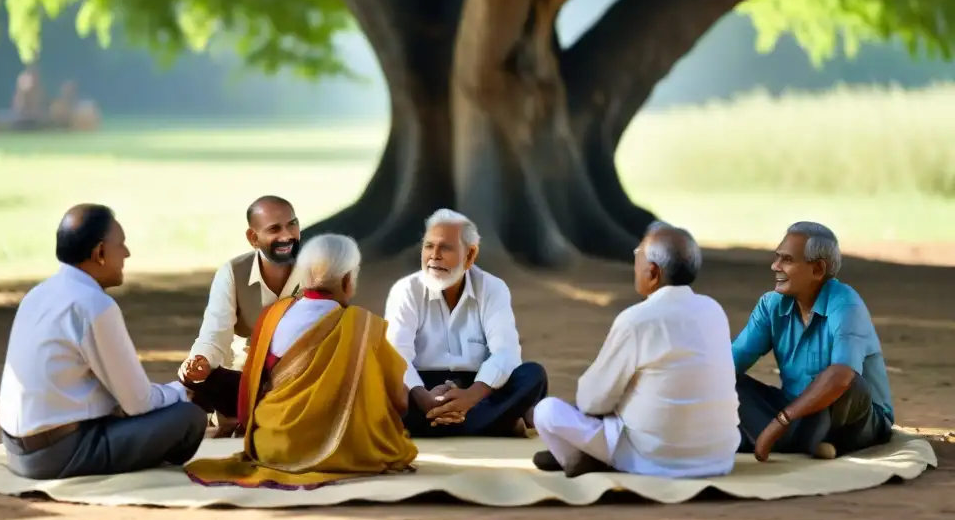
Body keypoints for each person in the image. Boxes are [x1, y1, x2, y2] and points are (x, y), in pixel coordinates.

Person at [185, 234, 418, 488]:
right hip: (338, 449)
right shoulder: (365, 328)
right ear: (348, 279)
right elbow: (397, 398)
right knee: (392, 440)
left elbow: (250, 393)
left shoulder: (273, 315)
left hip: (272, 446)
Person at [0, 204, 207, 480]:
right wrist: (181, 391)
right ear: (100, 254)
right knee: (188, 418)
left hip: (15, 449)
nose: (127, 253)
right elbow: (138, 403)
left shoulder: (38, 293)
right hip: (55, 457)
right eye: (121, 245)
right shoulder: (94, 304)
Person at [532, 222, 740, 478]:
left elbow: (591, 400)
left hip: (652, 460)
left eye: (637, 256)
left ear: (652, 272)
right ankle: (587, 455)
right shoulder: (714, 311)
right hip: (718, 458)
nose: (635, 264)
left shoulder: (636, 320)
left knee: (547, 412)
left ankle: (586, 457)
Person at [732, 222, 894, 461]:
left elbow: (841, 376)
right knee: (724, 379)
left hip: (852, 418)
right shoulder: (771, 305)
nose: (775, 266)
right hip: (796, 410)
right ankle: (805, 442)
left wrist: (780, 422)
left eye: (786, 259)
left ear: (818, 269)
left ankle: (775, 439)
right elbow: (731, 361)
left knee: (850, 384)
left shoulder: (846, 304)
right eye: (777, 258)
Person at [383, 209, 548, 437]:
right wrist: (424, 398)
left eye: (445, 248)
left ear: (470, 256)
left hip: (477, 388)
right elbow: (397, 354)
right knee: (381, 381)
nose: (434, 256)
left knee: (532, 375)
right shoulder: (406, 290)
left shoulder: (492, 288)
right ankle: (497, 422)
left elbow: (506, 353)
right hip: (420, 389)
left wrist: (470, 397)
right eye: (429, 246)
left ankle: (437, 425)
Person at [179, 195, 302, 435]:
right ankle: (249, 414)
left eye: (292, 224)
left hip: (300, 381)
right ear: (253, 238)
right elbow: (215, 333)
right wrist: (200, 363)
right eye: (275, 229)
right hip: (246, 379)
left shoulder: (316, 269)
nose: (287, 235)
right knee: (196, 380)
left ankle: (244, 417)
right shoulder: (233, 273)